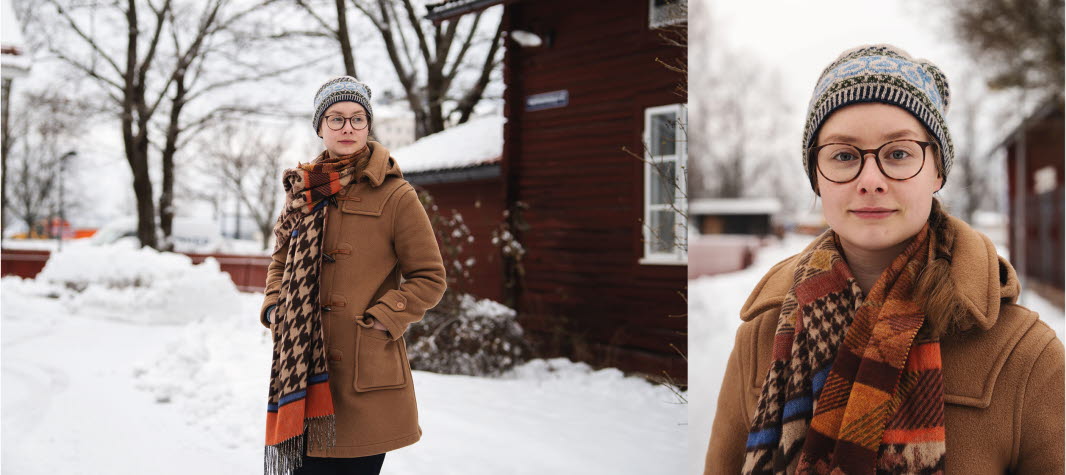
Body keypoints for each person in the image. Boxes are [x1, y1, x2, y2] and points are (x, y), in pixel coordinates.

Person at [704, 45, 1064, 474]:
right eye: (843, 155)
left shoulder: (1025, 354)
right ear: (816, 177)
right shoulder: (760, 339)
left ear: (937, 171)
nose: (870, 180)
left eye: (898, 153)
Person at [258, 76, 447, 475]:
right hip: (300, 375)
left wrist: (384, 319)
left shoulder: (396, 194)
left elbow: (429, 277)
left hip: (364, 378)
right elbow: (280, 262)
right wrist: (276, 308)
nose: (347, 128)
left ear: (368, 125)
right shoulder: (301, 192)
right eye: (336, 118)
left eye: (357, 119)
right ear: (320, 126)